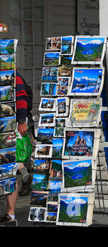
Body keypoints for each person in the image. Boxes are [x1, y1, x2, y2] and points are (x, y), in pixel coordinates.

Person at [0, 71, 32, 227]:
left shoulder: (9, 67)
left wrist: (21, 120)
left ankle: (10, 214)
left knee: (8, 168)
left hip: (7, 125)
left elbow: (20, 94)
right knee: (8, 167)